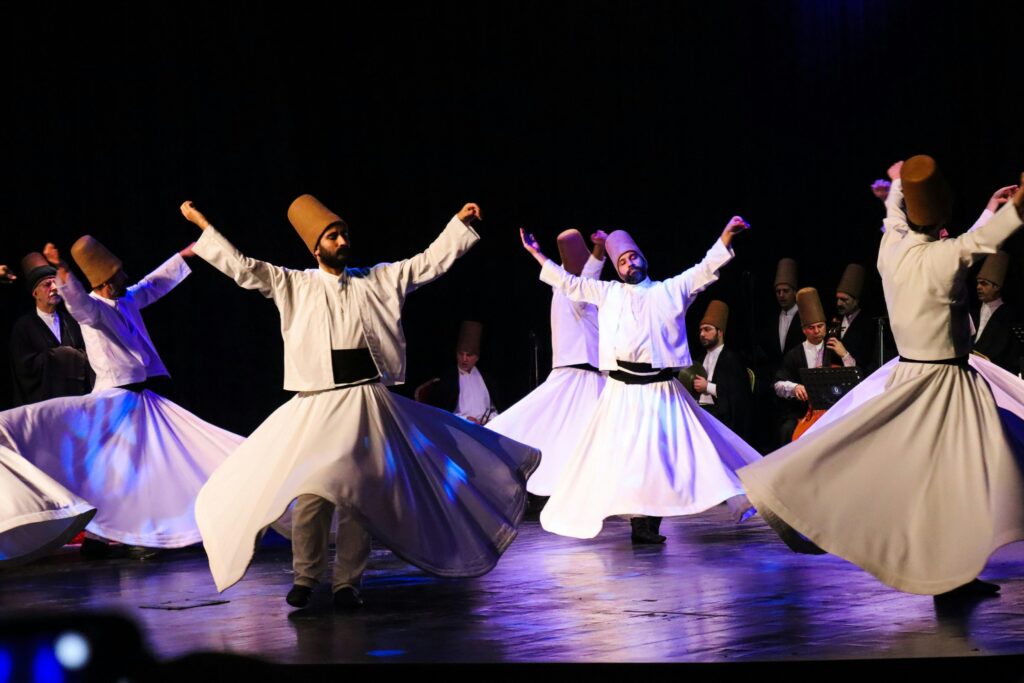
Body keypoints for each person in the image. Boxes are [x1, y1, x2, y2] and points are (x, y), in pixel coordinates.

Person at [180, 196, 539, 610]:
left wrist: (457, 225)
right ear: (316, 248)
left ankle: (347, 582)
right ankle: (306, 575)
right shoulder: (293, 284)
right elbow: (243, 267)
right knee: (312, 493)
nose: (341, 240)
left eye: (343, 233)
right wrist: (205, 226)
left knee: (359, 496)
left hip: (366, 401)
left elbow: (428, 263)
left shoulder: (378, 279)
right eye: (332, 236)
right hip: (318, 403)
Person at [739, 157, 1024, 597]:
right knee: (964, 478)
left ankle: (954, 572)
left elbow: (897, 220)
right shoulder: (945, 257)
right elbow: (981, 241)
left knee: (937, 482)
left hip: (909, 376)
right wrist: (1015, 206)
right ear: (943, 220)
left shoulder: (892, 248)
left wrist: (895, 187)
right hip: (945, 385)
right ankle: (950, 573)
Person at [519, 216, 759, 545]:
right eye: (622, 260)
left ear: (644, 259)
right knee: (626, 458)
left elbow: (704, 270)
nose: (629, 262)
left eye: (633, 256)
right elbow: (570, 284)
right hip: (622, 390)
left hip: (661, 388)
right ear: (616, 269)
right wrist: (537, 255)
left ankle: (661, 518)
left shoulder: (669, 290)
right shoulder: (608, 293)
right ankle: (638, 524)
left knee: (672, 453)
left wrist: (726, 236)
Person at [0, 235, 242, 557]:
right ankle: (123, 536)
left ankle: (106, 538)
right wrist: (62, 270)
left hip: (141, 401)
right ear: (105, 283)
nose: (126, 279)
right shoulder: (93, 309)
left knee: (131, 470)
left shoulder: (126, 299)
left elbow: (154, 284)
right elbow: (76, 302)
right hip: (112, 403)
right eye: (118, 275)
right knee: (121, 471)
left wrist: (186, 254)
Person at [487, 229, 607, 496]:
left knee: (578, 434)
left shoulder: (572, 288)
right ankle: (491, 448)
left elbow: (583, 274)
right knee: (546, 423)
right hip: (576, 374)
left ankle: (585, 489)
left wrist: (536, 252)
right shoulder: (573, 290)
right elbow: (587, 274)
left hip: (589, 374)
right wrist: (598, 249)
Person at [10, 251, 93, 405]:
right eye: (47, 284)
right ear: (36, 293)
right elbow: (24, 369)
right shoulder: (23, 327)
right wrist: (61, 355)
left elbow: (87, 356)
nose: (55, 287)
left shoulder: (71, 321)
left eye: (55, 282)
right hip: (43, 405)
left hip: (74, 401)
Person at [774, 287, 857, 442]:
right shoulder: (794, 354)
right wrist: (795, 388)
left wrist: (844, 354)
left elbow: (854, 377)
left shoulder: (834, 349)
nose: (817, 331)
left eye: (820, 326)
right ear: (804, 330)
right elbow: (777, 384)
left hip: (833, 411)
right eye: (811, 328)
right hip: (802, 412)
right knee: (787, 430)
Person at [690, 300, 753, 442]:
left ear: (720, 332)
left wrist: (707, 387)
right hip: (699, 412)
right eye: (700, 330)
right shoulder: (699, 360)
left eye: (707, 329)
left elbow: (738, 396)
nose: (702, 334)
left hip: (720, 416)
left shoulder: (732, 359)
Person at [421, 320, 502, 424]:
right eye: (461, 354)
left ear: (477, 357)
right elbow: (442, 412)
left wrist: (488, 420)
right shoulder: (449, 379)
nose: (464, 359)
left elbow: (493, 409)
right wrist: (465, 420)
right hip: (459, 427)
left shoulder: (487, 380)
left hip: (485, 428)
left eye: (469, 355)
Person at [973, 251, 1020, 373]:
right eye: (978, 282)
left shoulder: (1010, 316)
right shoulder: (972, 310)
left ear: (997, 287)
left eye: (984, 284)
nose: (978, 287)